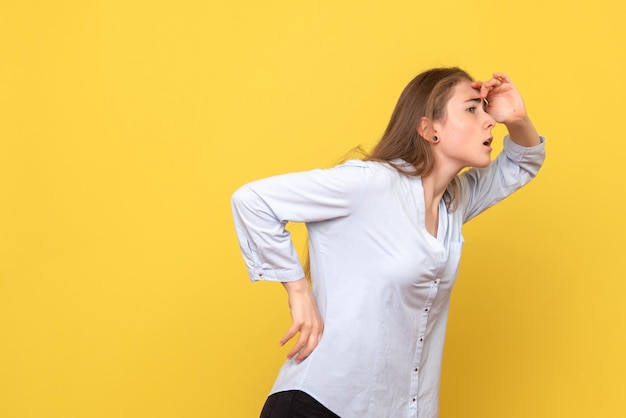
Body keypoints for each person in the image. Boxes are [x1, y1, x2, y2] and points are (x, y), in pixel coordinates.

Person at [231, 67, 546, 418]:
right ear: (429, 129)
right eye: (472, 109)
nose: (489, 121)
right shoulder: (372, 184)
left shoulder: (453, 202)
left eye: (485, 109)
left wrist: (516, 118)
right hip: (320, 403)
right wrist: (299, 293)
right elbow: (253, 200)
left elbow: (522, 162)